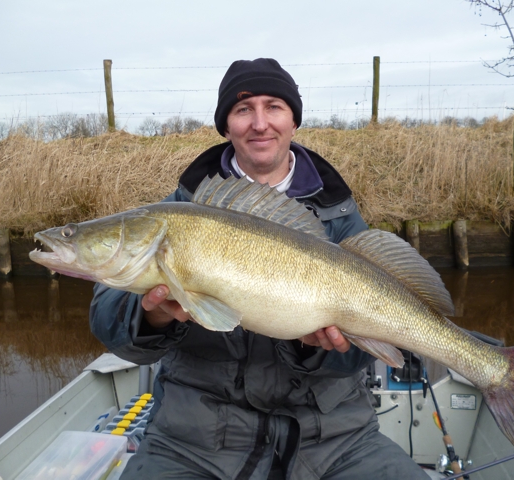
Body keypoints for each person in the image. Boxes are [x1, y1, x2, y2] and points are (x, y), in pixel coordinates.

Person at [90, 58, 428, 479]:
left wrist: (314, 349)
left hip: (335, 439)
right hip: (195, 440)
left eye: (274, 107)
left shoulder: (339, 217)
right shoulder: (178, 214)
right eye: (243, 109)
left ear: (293, 120)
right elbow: (108, 324)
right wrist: (152, 317)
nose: (260, 123)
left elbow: (358, 357)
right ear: (226, 125)